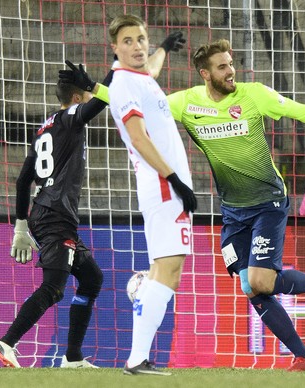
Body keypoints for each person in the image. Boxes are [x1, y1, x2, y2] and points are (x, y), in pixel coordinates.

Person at [96, 37, 305, 372]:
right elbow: (135, 104)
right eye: (222, 67)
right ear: (205, 73)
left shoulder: (254, 94)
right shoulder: (186, 103)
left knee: (261, 281)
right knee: (251, 286)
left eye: (231, 64)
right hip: (232, 209)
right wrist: (92, 87)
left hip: (268, 202)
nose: (231, 71)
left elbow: (299, 110)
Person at [0, 62, 113, 368]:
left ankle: (72, 357)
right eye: (84, 95)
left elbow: (22, 181)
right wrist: (117, 67)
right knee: (54, 288)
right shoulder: (71, 118)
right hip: (56, 214)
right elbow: (105, 99)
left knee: (91, 278)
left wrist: (20, 226)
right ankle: (6, 343)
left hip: (47, 212)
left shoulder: (44, 128)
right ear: (77, 98)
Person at [106, 14, 196, 376]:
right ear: (114, 48)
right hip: (162, 184)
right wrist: (174, 179)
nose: (137, 46)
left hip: (163, 183)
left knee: (167, 268)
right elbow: (139, 137)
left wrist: (161, 49)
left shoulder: (138, 76)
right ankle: (136, 359)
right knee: (169, 269)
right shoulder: (123, 83)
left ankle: (138, 355)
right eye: (128, 41)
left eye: (141, 39)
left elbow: (151, 72)